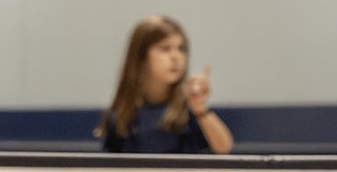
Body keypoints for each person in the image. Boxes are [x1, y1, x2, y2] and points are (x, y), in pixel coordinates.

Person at [97, 15, 234, 154]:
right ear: (141, 56)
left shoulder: (189, 109)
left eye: (181, 49)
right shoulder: (122, 114)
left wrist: (200, 109)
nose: (176, 57)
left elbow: (223, 148)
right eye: (165, 49)